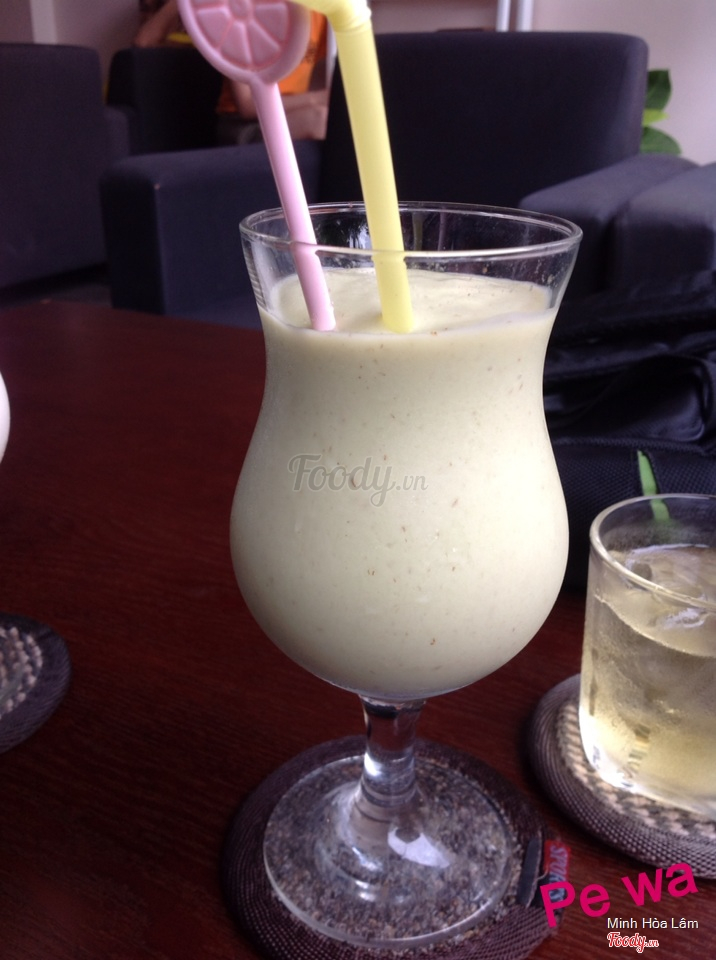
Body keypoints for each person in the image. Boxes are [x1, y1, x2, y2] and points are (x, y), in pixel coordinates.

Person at [133, 0, 330, 142]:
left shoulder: (317, 12)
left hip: (290, 116)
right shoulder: (244, 12)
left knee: (333, 121)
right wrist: (318, 99)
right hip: (243, 125)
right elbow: (248, 106)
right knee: (319, 119)